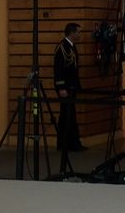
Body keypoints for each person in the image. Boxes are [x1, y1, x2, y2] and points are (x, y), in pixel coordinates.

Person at [54, 23, 86, 152]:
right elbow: (59, 69)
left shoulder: (71, 47)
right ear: (72, 33)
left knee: (70, 115)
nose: (79, 35)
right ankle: (66, 144)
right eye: (78, 32)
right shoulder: (62, 48)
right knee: (66, 116)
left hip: (71, 87)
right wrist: (61, 87)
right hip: (65, 88)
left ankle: (71, 143)